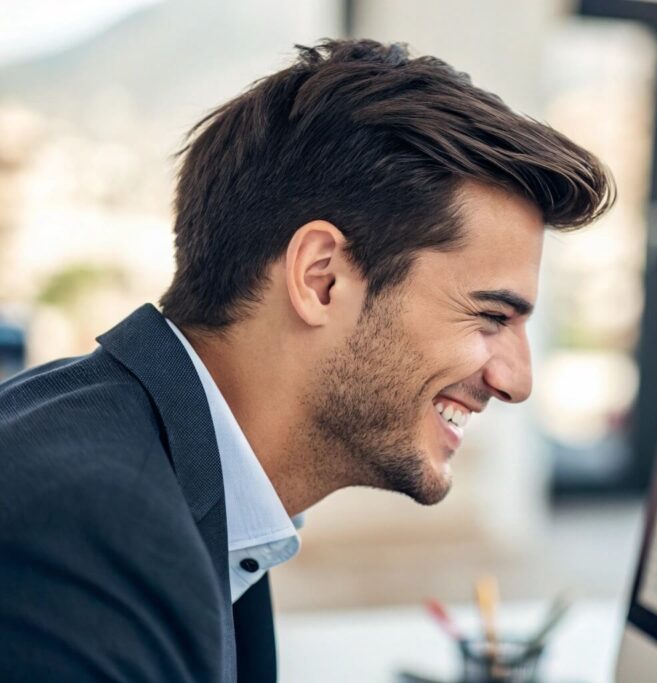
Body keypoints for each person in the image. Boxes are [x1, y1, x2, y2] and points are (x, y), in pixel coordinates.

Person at [0, 39, 613, 682]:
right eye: (491, 317)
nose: (516, 381)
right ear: (322, 279)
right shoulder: (92, 540)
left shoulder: (150, 462)